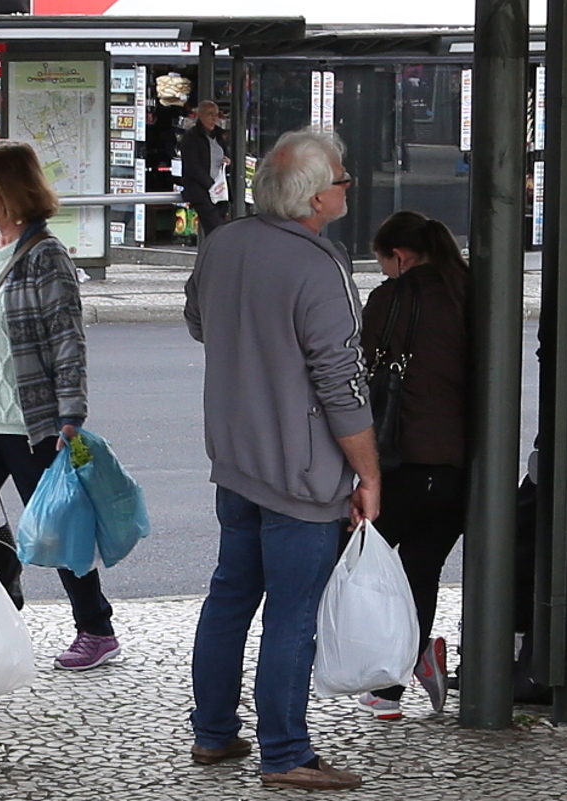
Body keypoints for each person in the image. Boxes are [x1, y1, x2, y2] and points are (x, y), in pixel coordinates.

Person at [184, 128, 376, 791]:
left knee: (230, 594)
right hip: (300, 471)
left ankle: (212, 732)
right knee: (293, 612)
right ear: (318, 197)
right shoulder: (321, 265)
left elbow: (199, 321)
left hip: (235, 461)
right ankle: (286, 751)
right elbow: (342, 380)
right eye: (343, 178)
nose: (349, 185)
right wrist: (370, 473)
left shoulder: (224, 243)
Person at [0, 139, 121, 671]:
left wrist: (70, 416)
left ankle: (96, 630)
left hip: (30, 422)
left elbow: (67, 339)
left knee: (57, 528)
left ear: (12, 188)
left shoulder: (44, 254)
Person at [355, 211, 470, 720]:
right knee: (420, 571)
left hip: (404, 460)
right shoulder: (469, 292)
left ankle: (394, 671)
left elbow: (354, 368)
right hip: (461, 468)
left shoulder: (393, 298)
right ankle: (393, 686)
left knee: (359, 565)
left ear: (398, 257)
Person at [177, 100, 229, 238]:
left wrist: (227, 162)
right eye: (210, 114)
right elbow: (192, 167)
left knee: (222, 227)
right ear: (200, 115)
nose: (214, 118)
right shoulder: (191, 138)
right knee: (215, 230)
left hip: (219, 191)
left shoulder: (219, 136)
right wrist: (211, 185)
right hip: (201, 191)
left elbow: (225, 155)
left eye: (216, 115)